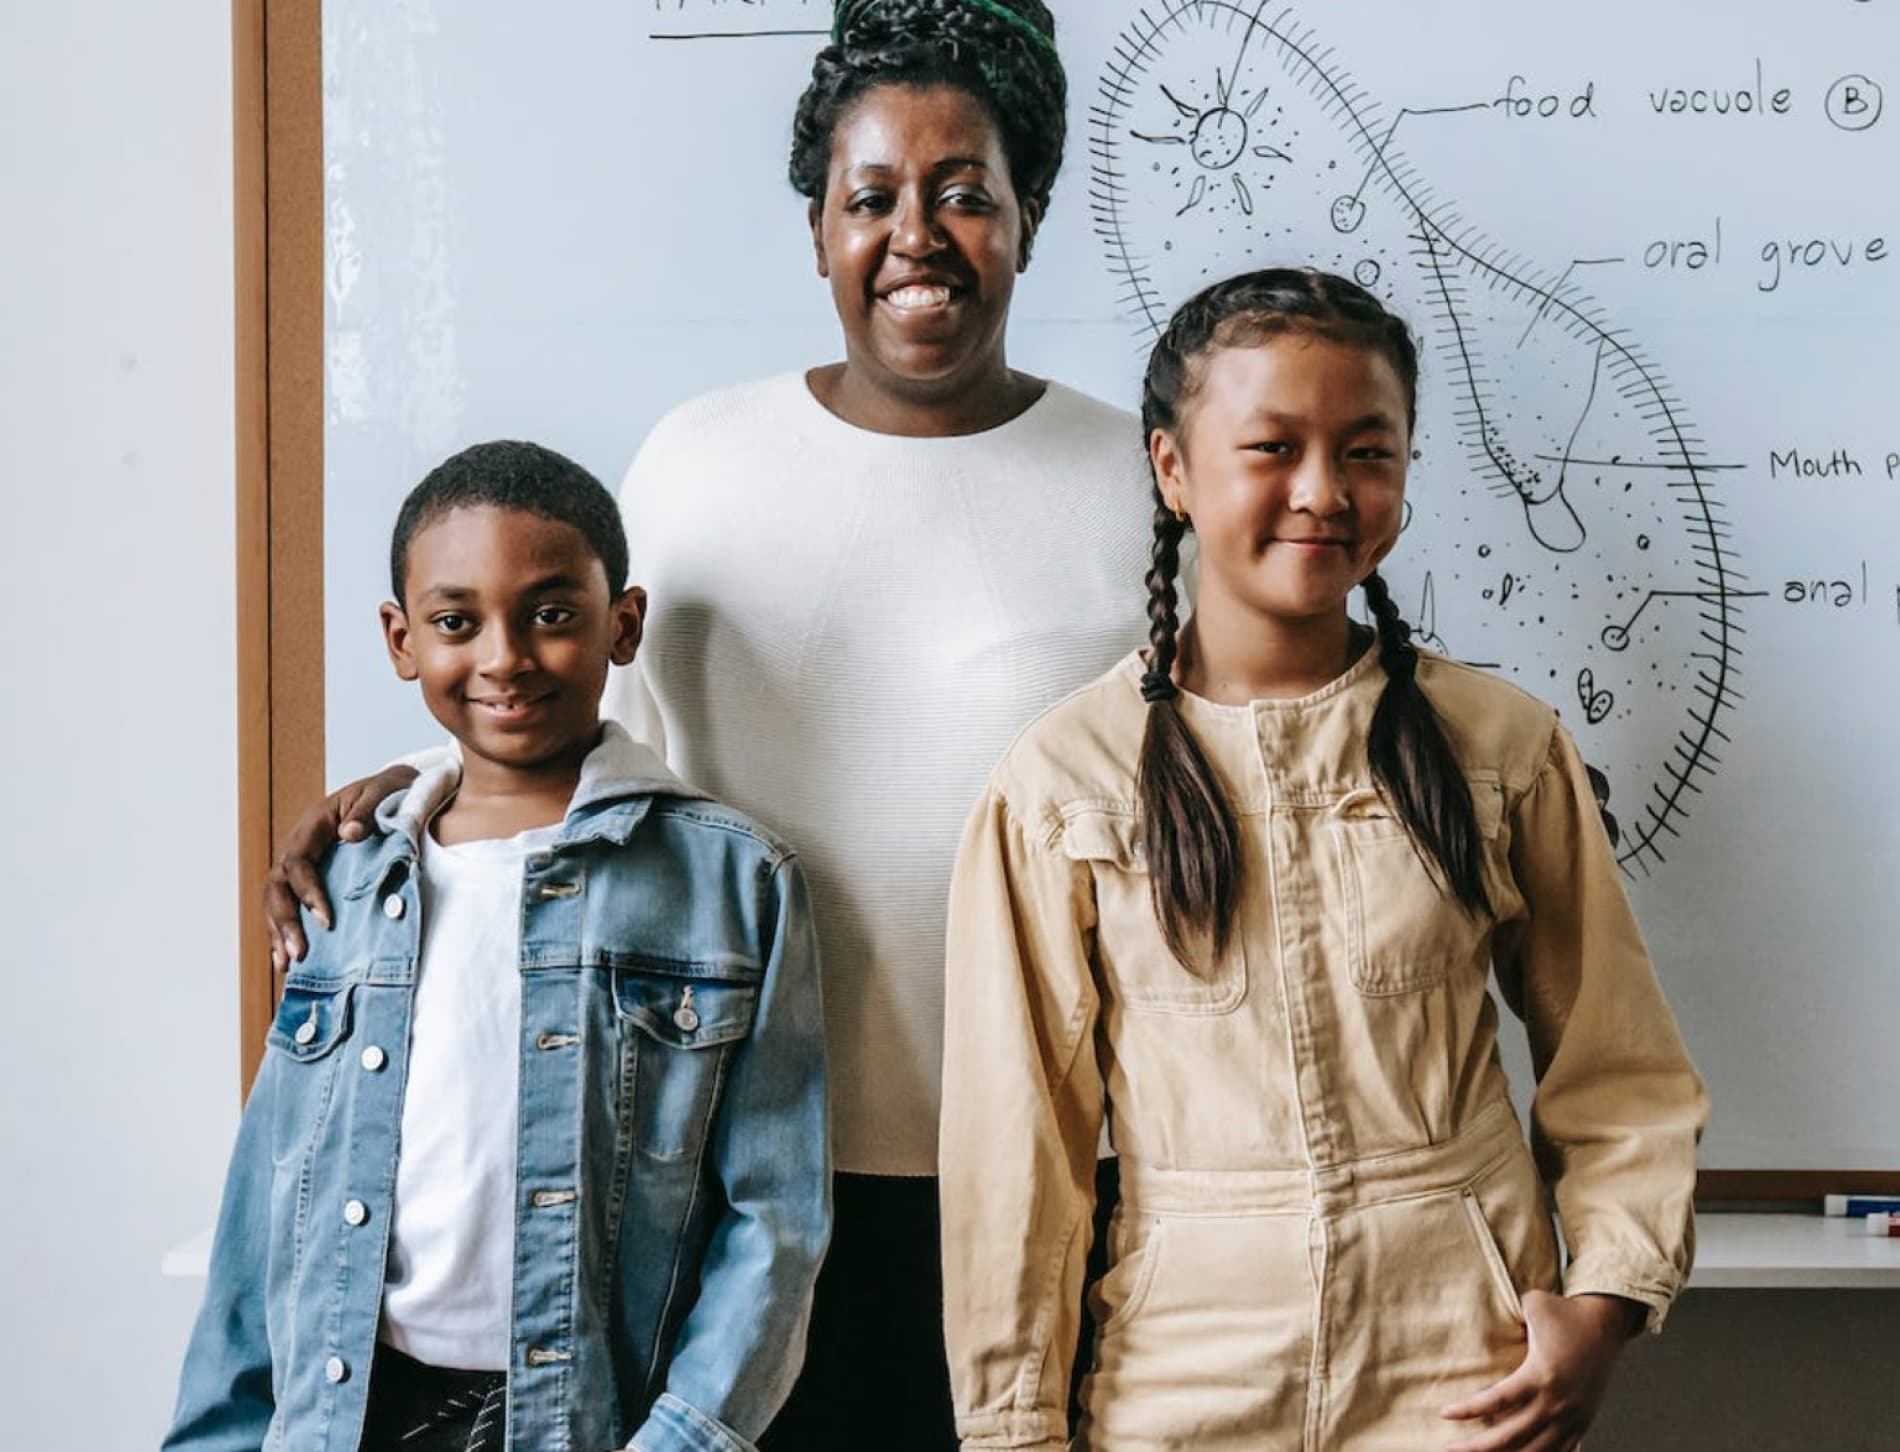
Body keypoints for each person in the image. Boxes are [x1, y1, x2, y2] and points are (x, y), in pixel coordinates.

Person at [261, 5, 1145, 1444]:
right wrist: (413, 787)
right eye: (871, 198)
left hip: (1058, 1172)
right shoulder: (702, 460)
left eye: (966, 194)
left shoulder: (1131, 478)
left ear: (1029, 218)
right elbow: (585, 720)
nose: (916, 234)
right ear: (817, 230)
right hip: (719, 1178)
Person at [939, 270, 1709, 1452]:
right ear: (1172, 470)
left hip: (1465, 1371)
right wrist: (1012, 1428)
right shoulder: (1063, 781)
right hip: (1181, 1376)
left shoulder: (1501, 748)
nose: (1322, 492)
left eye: (1366, 451)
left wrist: (1600, 1306)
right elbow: (1019, 1157)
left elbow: (1621, 1072)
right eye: (1271, 446)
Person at [167, 442, 829, 1452]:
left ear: (625, 623)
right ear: (400, 639)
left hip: (595, 1424)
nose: (505, 656)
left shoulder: (735, 886)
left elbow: (773, 1225)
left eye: (553, 614)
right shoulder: (344, 878)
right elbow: (268, 1203)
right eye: (454, 622)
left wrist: (686, 1438)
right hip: (350, 1416)